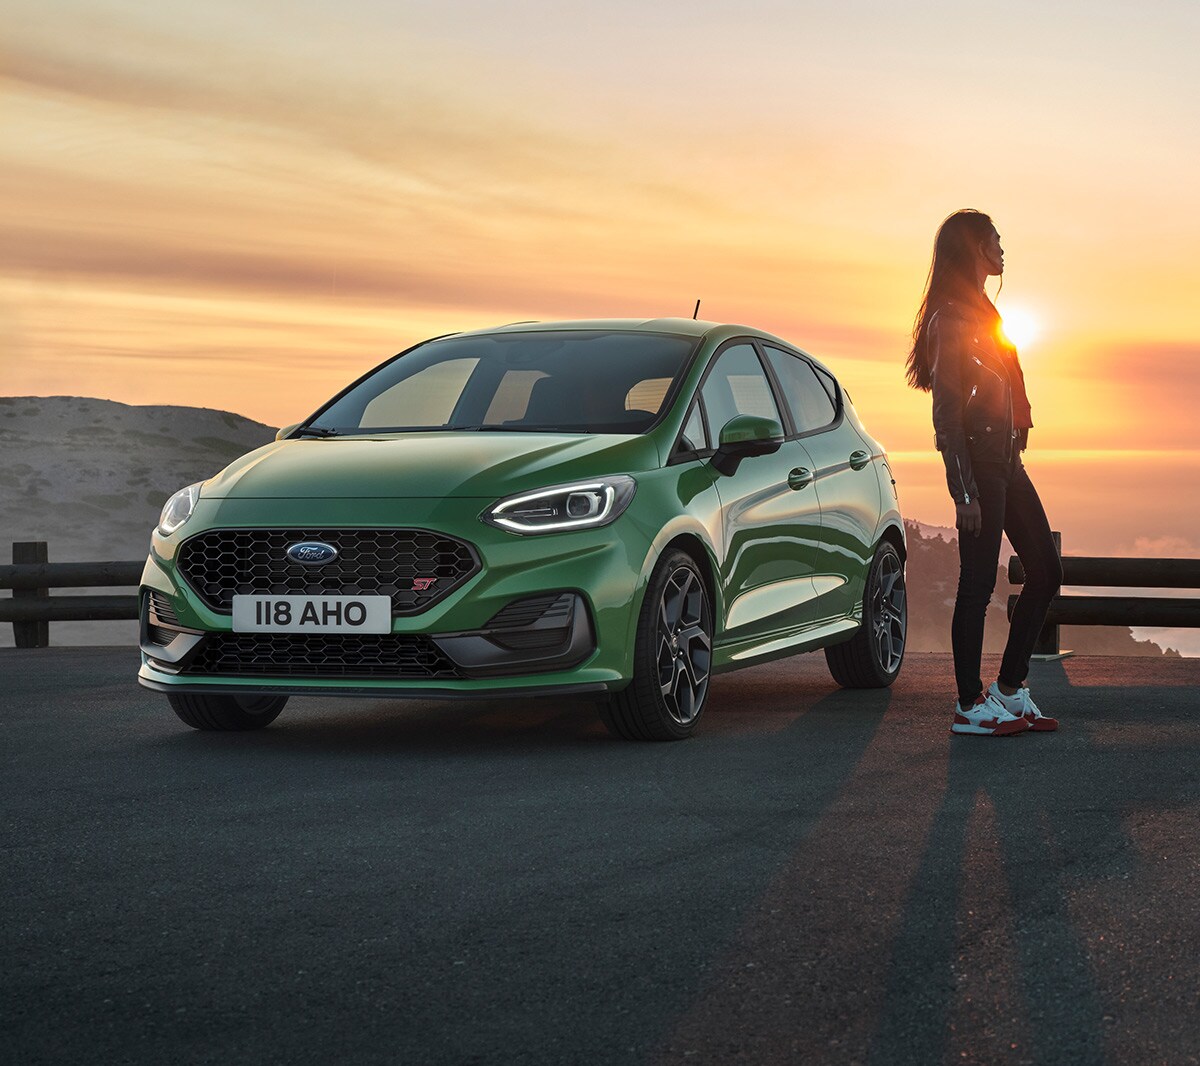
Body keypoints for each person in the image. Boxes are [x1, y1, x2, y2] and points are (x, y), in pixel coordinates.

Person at [906, 209, 1062, 735]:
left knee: (1046, 569)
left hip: (1005, 460)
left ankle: (1009, 691)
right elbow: (946, 414)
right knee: (976, 583)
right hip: (978, 461)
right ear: (975, 245)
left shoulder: (982, 311)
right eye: (995, 239)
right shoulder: (951, 317)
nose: (1002, 248)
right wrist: (964, 491)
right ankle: (969, 705)